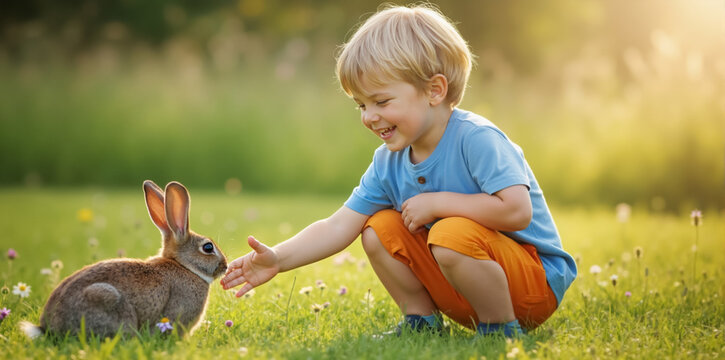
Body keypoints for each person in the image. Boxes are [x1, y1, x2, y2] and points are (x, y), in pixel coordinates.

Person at [220, 4, 576, 338]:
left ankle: (500, 331)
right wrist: (277, 259)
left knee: (450, 233)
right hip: (463, 286)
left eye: (381, 101)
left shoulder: (477, 139)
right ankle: (422, 322)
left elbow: (516, 210)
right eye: (361, 104)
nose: (368, 116)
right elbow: (338, 225)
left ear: (435, 90)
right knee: (377, 229)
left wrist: (438, 203)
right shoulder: (389, 161)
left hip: (531, 287)